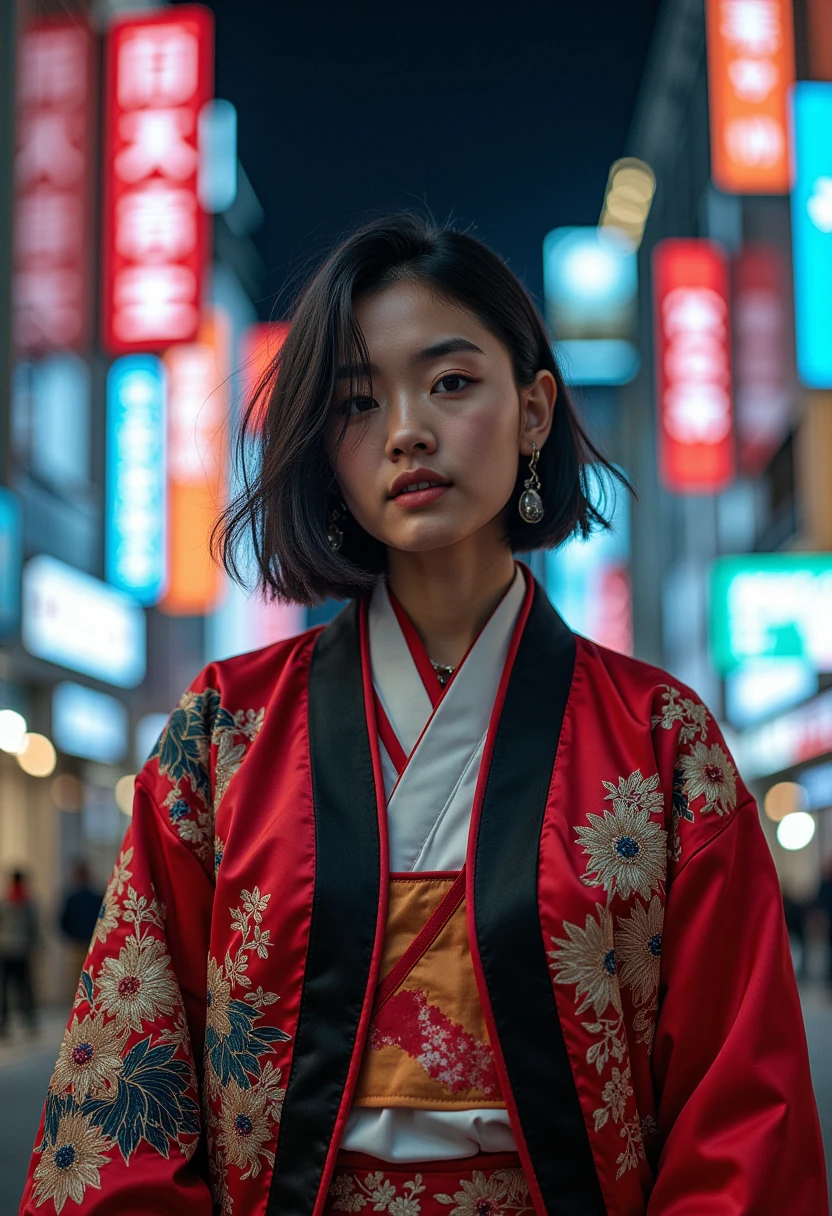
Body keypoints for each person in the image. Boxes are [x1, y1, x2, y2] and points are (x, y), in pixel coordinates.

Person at [19, 216, 827, 1215]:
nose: (407, 428)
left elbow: (738, 1111)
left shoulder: (663, 741)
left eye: (450, 382)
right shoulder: (222, 732)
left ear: (534, 411)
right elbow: (127, 1086)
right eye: (358, 401)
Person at [0, 869, 38, 1036]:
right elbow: (33, 927)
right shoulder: (28, 902)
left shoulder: (5, 900)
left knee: (6, 986)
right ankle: (29, 1020)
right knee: (24, 986)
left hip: (7, 948)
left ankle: (5, 1022)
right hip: (22, 949)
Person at [58, 861, 103, 1000]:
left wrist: (71, 936)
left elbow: (62, 922)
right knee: (92, 978)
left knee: (77, 980)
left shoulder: (73, 898)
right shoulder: (97, 897)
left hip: (78, 944)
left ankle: (78, 1009)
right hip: (92, 944)